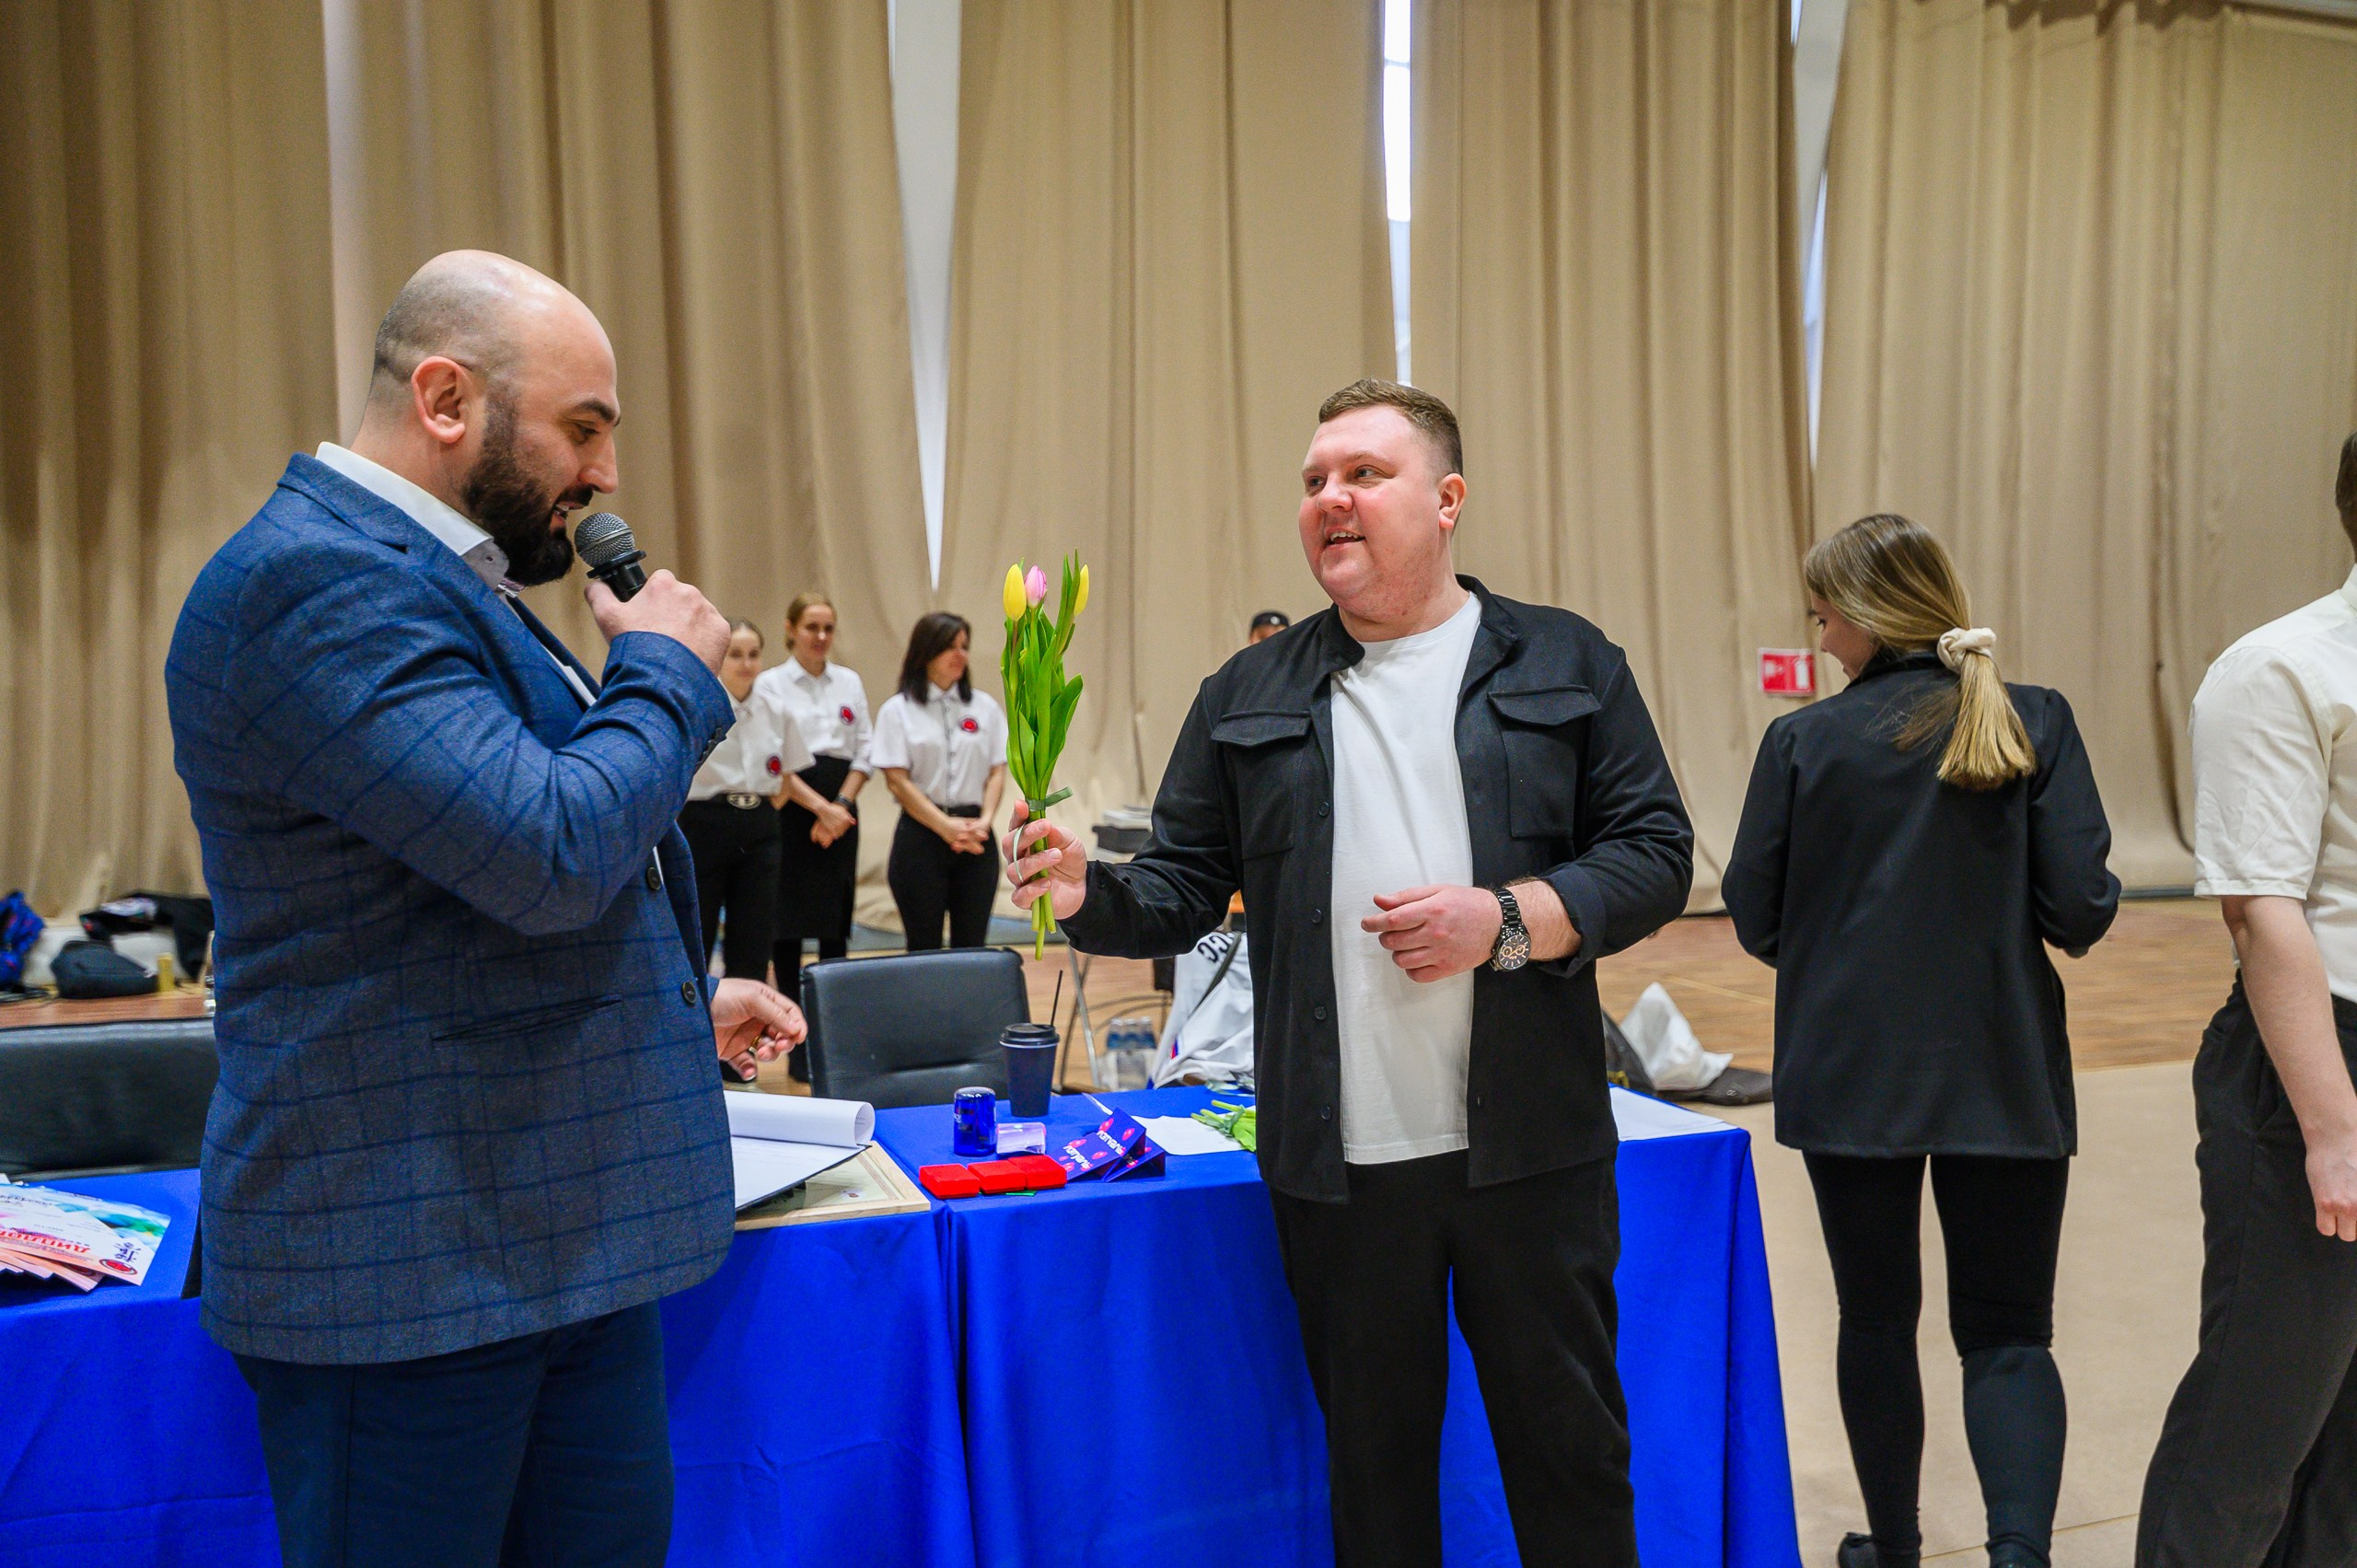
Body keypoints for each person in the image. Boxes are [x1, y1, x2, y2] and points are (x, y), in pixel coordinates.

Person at [164, 250, 805, 1568]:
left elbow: (459, 888)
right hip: (409, 1272)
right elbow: (551, 846)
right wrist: (670, 674)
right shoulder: (315, 580)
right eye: (584, 427)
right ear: (447, 398)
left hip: (542, 1243)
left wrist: (670, 1004)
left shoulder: (436, 577)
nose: (606, 473)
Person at [1006, 378, 1692, 1567]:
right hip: (1340, 1168)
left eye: (1364, 473)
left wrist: (1510, 918)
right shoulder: (1245, 692)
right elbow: (1176, 888)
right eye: (1315, 479)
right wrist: (1080, 888)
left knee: (1570, 1455)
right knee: (1375, 1482)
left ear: (1448, 499)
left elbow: (1654, 853)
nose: (1331, 498)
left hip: (1531, 1155)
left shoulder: (1568, 659)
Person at [1722, 514, 2119, 1568]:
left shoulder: (1801, 741)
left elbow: (1754, 915)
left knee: (1876, 1316)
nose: (1816, 631)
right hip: (2004, 1071)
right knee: (2007, 1330)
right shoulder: (2035, 719)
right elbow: (2079, 909)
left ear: (1855, 614)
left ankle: (1891, 1547)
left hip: (1850, 1075)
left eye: (1820, 611)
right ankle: (2019, 1555)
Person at [2137, 434, 2357, 1567]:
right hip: (2315, 1060)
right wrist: (2332, 1127)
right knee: (2257, 1417)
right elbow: (2264, 908)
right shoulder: (2281, 668)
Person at [679, 619, 811, 1012]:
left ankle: (743, 1049)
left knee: (753, 936)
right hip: (705, 822)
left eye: (754, 654)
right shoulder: (698, 704)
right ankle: (698, 1035)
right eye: (736, 654)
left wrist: (762, 815)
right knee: (697, 930)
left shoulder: (777, 708)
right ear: (719, 658)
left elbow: (787, 776)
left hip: (760, 824)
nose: (746, 663)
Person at [756, 594, 872, 1007]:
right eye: (811, 627)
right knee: (786, 924)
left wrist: (838, 806)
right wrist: (821, 809)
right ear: (790, 629)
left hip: (842, 810)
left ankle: (833, 1018)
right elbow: (775, 760)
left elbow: (864, 752)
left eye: (828, 628)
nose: (821, 636)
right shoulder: (771, 683)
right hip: (791, 808)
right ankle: (793, 1024)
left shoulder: (849, 682)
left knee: (833, 925)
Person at [873, 612, 1007, 950]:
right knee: (923, 947)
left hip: (976, 837)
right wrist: (944, 826)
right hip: (921, 838)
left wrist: (986, 821)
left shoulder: (985, 707)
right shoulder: (897, 710)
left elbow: (997, 771)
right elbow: (897, 782)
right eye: (950, 646)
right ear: (925, 652)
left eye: (964, 646)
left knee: (972, 947)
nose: (960, 655)